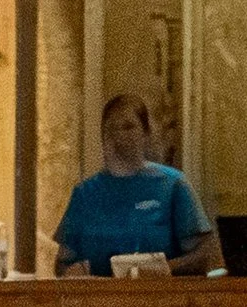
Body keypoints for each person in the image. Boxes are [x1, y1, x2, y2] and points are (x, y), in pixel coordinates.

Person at [53, 94, 216, 276]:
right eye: (112, 128)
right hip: (100, 300)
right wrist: (72, 272)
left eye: (129, 127)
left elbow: (203, 255)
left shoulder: (173, 185)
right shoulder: (84, 194)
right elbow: (62, 264)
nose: (120, 135)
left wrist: (163, 270)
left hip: (162, 298)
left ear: (146, 133)